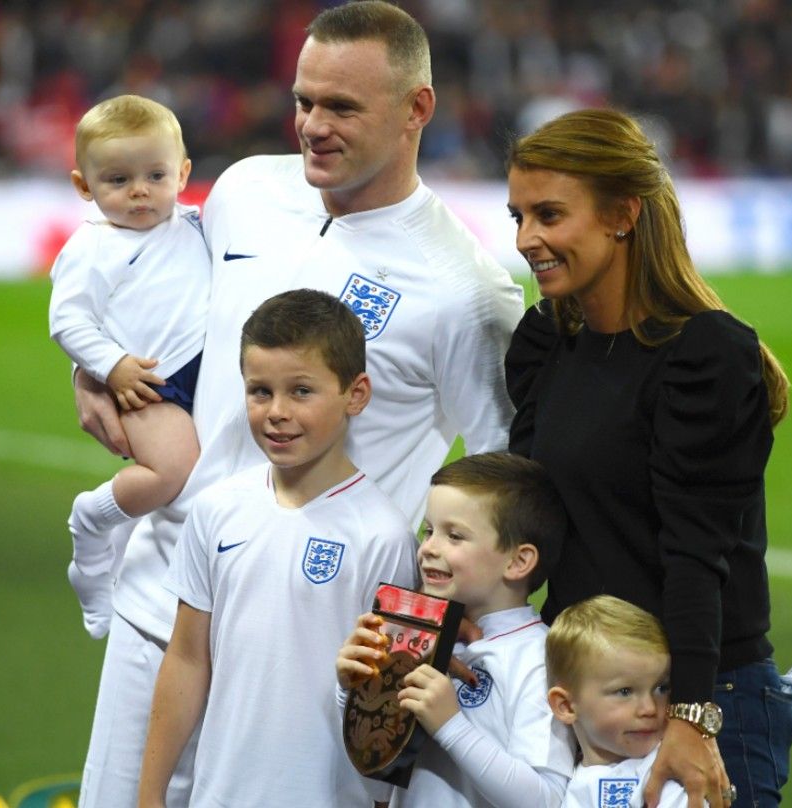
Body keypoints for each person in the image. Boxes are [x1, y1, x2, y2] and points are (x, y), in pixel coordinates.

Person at [72, 3, 523, 805]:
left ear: (417, 109)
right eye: (303, 101)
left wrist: (439, 645)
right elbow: (154, 291)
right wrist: (92, 368)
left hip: (312, 657)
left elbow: (506, 483)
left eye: (341, 106)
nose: (312, 125)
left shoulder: (466, 293)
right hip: (161, 607)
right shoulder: (245, 191)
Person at [504, 107, 792, 808]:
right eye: (517, 215)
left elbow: (697, 553)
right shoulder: (548, 341)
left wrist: (691, 718)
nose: (526, 239)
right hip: (585, 707)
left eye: (549, 214)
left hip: (698, 701)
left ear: (622, 215)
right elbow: (528, 525)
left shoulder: (705, 355)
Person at [136, 289, 418, 807]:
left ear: (355, 394)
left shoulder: (382, 536)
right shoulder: (216, 509)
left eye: (302, 391)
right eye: (259, 391)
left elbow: (385, 708)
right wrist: (149, 795)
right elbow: (186, 658)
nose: (277, 412)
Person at [48, 94, 209, 639]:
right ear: (83, 186)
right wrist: (110, 368)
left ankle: (123, 538)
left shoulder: (198, 226)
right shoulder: (91, 248)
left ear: (183, 173)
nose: (140, 190)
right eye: (117, 180)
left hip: (205, 376)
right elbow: (67, 322)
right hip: (147, 384)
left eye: (155, 175)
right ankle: (94, 524)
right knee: (171, 472)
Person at [337, 451, 577, 808]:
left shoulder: (539, 659)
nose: (428, 548)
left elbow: (546, 800)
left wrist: (450, 725)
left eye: (455, 536)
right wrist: (353, 691)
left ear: (518, 561)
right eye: (429, 530)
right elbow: (378, 774)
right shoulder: (419, 641)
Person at [546, 594, 690, 808]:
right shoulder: (564, 783)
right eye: (625, 692)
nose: (649, 708)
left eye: (661, 688)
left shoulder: (667, 774)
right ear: (565, 706)